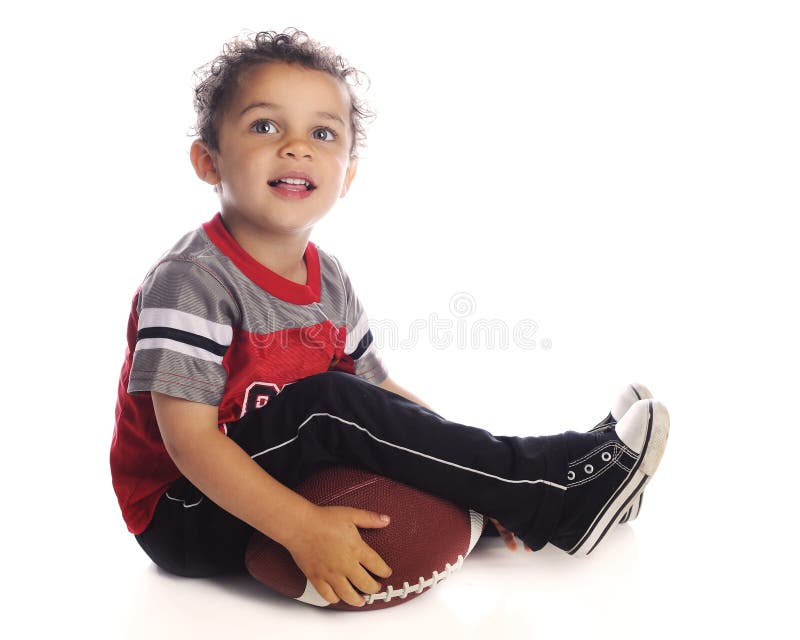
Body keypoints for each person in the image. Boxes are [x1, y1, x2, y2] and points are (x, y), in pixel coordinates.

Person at [110, 29, 670, 609]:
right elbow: (190, 444)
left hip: (265, 474)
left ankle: (547, 491)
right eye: (264, 126)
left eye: (322, 133)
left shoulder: (328, 279)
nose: (296, 147)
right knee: (328, 402)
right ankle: (551, 491)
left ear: (347, 174)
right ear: (208, 160)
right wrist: (302, 528)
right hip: (183, 511)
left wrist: (478, 477)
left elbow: (384, 403)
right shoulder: (193, 280)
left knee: (353, 398)